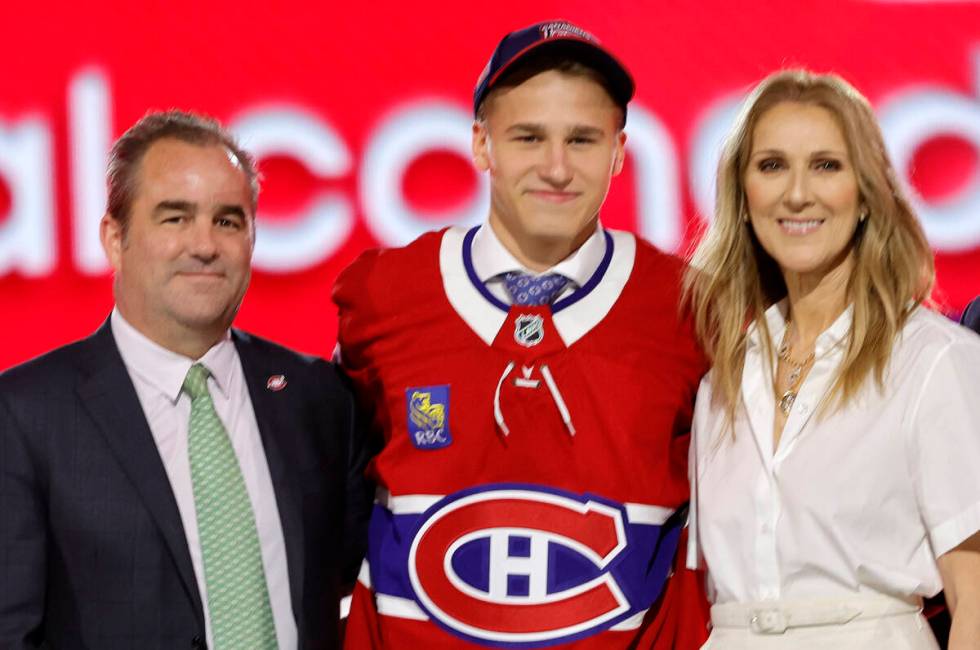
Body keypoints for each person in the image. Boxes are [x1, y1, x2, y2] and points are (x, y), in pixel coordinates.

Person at [333, 20, 709, 649]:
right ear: (482, 145)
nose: (557, 168)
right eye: (528, 137)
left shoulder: (693, 309)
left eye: (583, 139)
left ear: (619, 151)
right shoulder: (383, 297)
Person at [0, 110, 369, 650]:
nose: (205, 245)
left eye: (228, 221)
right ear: (114, 238)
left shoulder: (319, 400)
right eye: (175, 218)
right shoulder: (25, 416)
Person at [684, 69, 980, 649]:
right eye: (772, 166)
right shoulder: (722, 374)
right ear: (743, 198)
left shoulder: (934, 362)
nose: (798, 193)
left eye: (826, 165)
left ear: (868, 193)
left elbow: (973, 602)